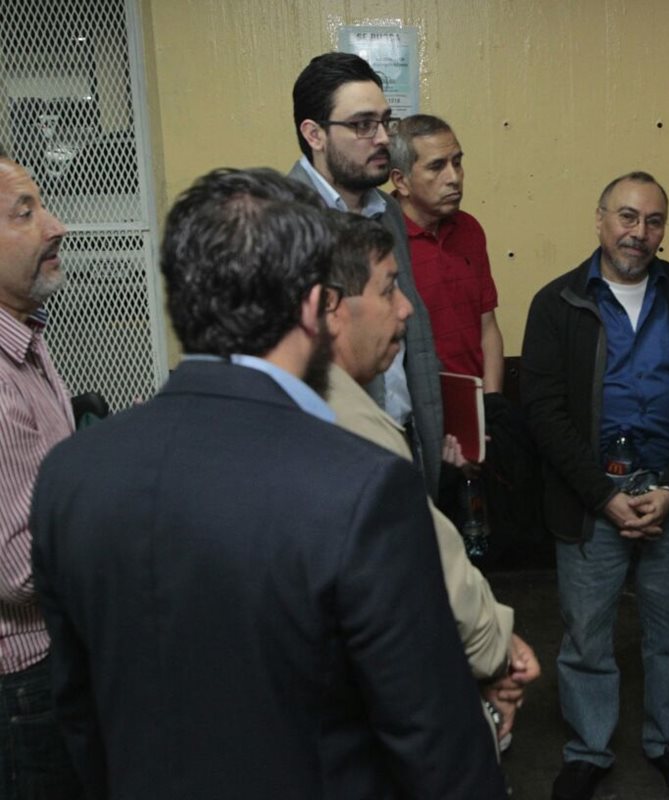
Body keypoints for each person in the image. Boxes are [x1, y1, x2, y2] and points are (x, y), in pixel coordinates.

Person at [30, 168, 505, 798]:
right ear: (315, 305)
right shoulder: (360, 489)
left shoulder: (72, 472)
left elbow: (81, 719)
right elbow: (433, 745)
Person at [522, 171, 669, 800]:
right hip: (592, 501)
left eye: (654, 221)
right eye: (627, 217)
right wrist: (604, 497)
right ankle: (588, 749)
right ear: (599, 219)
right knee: (587, 636)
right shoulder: (556, 302)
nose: (639, 233)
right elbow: (543, 411)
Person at [321, 213, 539, 746]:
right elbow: (429, 559)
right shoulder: (356, 430)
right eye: (390, 287)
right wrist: (496, 651)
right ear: (330, 307)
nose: (407, 308)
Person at [288, 51, 445, 496]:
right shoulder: (283, 223)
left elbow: (410, 331)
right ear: (314, 134)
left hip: (401, 439)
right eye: (362, 125)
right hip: (332, 459)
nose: (383, 138)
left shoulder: (389, 211)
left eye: (386, 122)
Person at [0, 149, 82, 798]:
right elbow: (18, 569)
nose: (55, 225)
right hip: (21, 687)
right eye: (24, 213)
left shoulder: (27, 335)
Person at [389, 115, 503, 393]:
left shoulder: (469, 229)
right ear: (401, 181)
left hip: (474, 405)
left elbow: (487, 327)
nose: (454, 178)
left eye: (457, 162)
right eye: (437, 166)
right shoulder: (381, 238)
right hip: (413, 407)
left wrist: (492, 399)